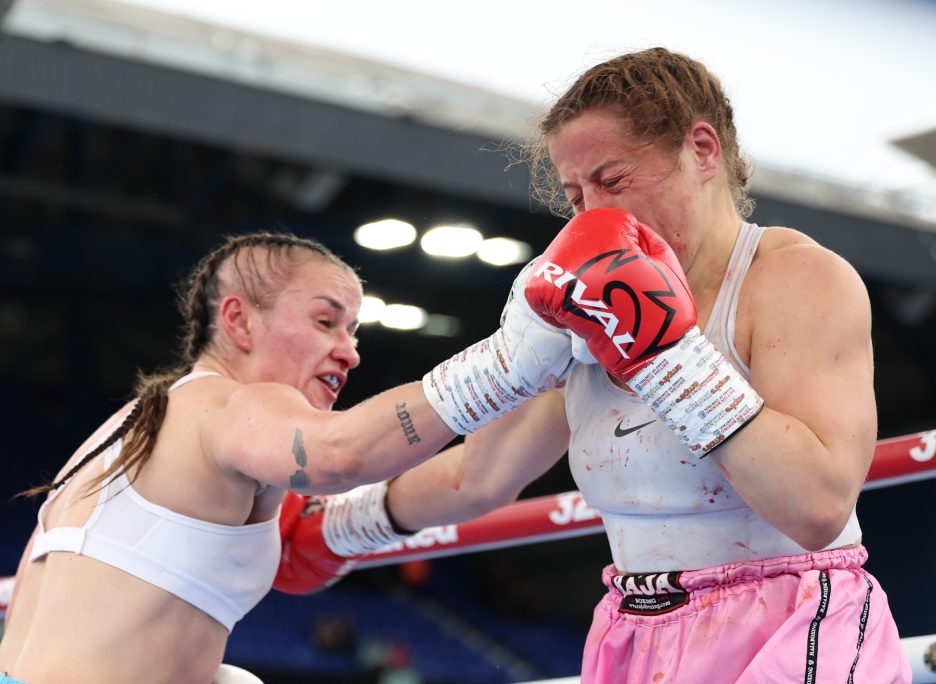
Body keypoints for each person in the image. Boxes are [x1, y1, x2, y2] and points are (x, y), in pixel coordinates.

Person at [277, 48, 911, 683]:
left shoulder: (794, 278)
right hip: (636, 631)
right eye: (575, 194)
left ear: (702, 150)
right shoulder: (580, 297)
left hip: (793, 622)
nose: (593, 215)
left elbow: (817, 505)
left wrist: (664, 353)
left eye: (613, 181)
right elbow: (480, 473)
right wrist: (340, 528)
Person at [0, 231, 574, 684]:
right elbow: (343, 453)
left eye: (355, 332)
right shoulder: (234, 405)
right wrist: (513, 356)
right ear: (238, 320)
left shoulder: (132, 428)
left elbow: (476, 480)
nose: (349, 353)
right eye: (325, 322)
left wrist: (571, 358)